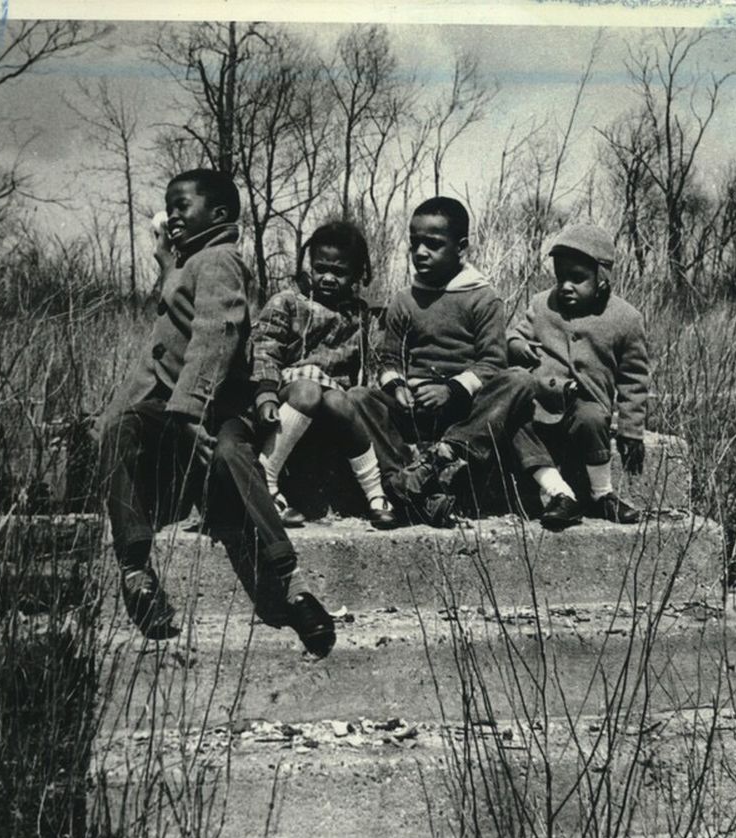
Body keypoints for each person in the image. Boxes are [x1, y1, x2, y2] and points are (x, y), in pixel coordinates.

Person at [98, 168, 335, 655]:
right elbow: (182, 314)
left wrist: (188, 412)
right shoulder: (193, 262)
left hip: (214, 411)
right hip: (179, 415)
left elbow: (216, 334)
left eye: (183, 205)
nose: (172, 215)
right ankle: (136, 570)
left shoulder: (222, 259)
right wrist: (168, 261)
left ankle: (290, 581)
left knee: (230, 450)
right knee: (119, 428)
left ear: (221, 215)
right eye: (169, 205)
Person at [348, 196, 541, 524]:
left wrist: (452, 389)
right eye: (414, 243)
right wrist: (397, 387)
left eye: (433, 244)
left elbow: (493, 362)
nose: (420, 252)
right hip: (416, 407)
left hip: (465, 411)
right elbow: (388, 358)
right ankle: (407, 482)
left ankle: (441, 457)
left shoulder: (483, 298)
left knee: (520, 380)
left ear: (461, 247)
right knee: (357, 398)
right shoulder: (404, 300)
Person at [249, 220, 398, 529]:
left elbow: (378, 358)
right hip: (290, 390)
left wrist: (394, 383)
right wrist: (265, 392)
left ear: (358, 275)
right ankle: (267, 478)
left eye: (340, 272)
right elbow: (265, 348)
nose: (328, 278)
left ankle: (375, 493)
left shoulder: (360, 316)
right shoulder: (288, 302)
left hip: (333, 398)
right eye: (320, 268)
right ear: (310, 267)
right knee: (308, 391)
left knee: (344, 402)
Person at [507, 223, 650, 530]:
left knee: (592, 416)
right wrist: (518, 346)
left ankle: (602, 494)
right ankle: (561, 494)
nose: (566, 286)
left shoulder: (625, 318)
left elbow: (634, 379)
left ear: (602, 278)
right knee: (515, 425)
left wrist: (631, 429)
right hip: (543, 405)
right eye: (560, 277)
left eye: (577, 278)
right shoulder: (543, 305)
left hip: (586, 410)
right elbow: (515, 336)